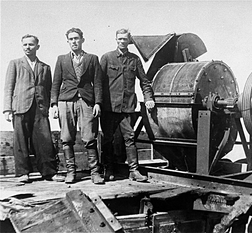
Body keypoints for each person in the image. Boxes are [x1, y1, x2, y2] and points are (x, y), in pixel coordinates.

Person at [3, 34, 64, 183]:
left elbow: (49, 89)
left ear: (37, 46)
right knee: (21, 140)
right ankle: (23, 173)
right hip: (20, 106)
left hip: (40, 107)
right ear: (22, 46)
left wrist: (52, 105)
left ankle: (49, 172)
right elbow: (9, 87)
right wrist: (7, 109)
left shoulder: (45, 67)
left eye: (31, 44)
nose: (28, 47)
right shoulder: (15, 63)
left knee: (44, 139)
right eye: (25, 45)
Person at [100, 28, 155, 182]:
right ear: (116, 40)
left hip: (127, 107)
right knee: (107, 139)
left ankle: (134, 171)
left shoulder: (134, 60)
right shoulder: (107, 58)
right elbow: (98, 83)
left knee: (130, 138)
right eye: (119, 39)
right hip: (109, 107)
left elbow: (145, 81)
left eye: (125, 39)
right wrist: (98, 103)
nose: (122, 42)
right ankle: (108, 169)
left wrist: (148, 98)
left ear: (129, 41)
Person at [51, 28, 104, 184]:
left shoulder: (92, 59)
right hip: (65, 101)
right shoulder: (62, 59)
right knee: (66, 138)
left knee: (89, 137)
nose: (74, 41)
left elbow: (98, 83)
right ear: (67, 41)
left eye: (76, 38)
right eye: (71, 39)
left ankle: (95, 173)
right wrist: (54, 104)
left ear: (82, 39)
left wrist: (98, 103)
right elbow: (56, 83)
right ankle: (70, 172)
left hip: (86, 102)